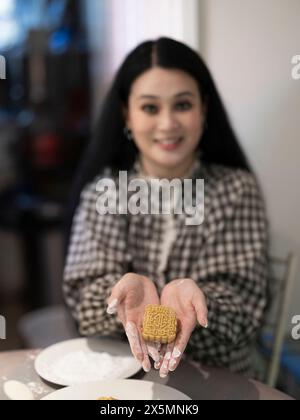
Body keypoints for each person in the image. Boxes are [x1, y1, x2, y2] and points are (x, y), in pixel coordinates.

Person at [63, 37, 269, 378]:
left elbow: (243, 308)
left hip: (216, 380)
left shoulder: (234, 189)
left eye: (183, 105)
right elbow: (84, 299)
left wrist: (199, 301)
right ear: (126, 115)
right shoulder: (108, 189)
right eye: (150, 107)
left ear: (204, 109)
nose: (168, 123)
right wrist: (121, 300)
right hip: (123, 378)